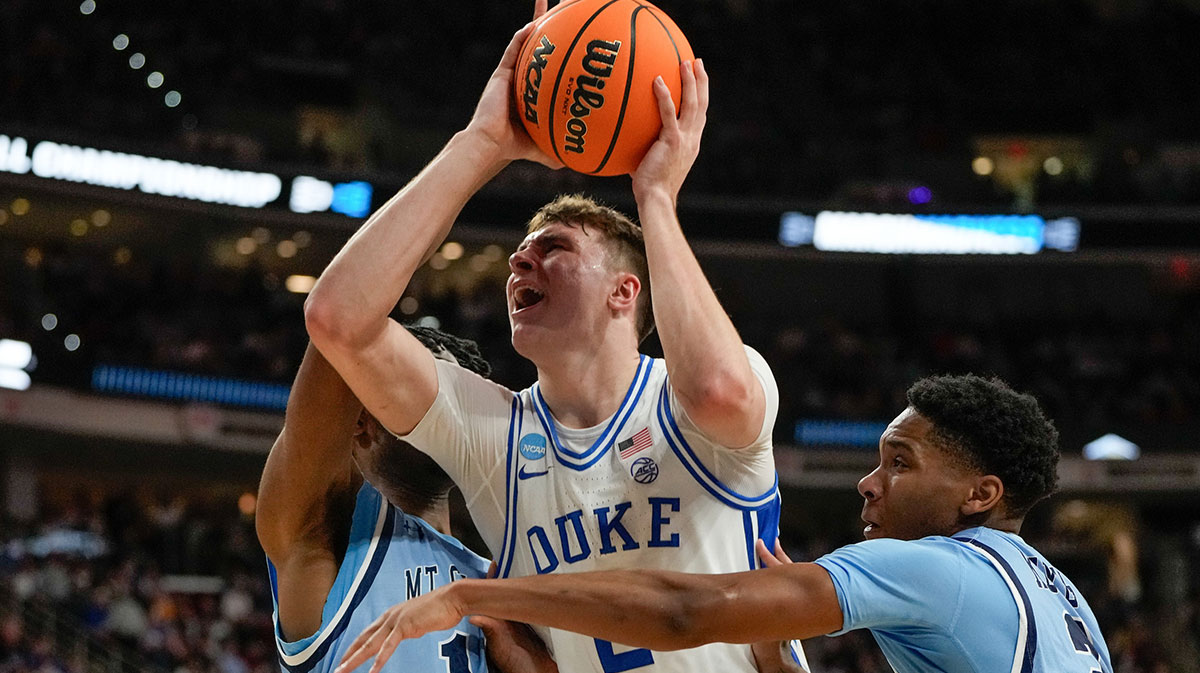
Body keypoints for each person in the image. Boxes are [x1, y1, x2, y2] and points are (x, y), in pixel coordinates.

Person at [302, 4, 806, 672]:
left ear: (623, 292)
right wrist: (482, 144)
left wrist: (656, 197)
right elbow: (338, 318)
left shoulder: (702, 397)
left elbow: (715, 389)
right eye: (520, 253)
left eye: (554, 247)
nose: (518, 262)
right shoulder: (497, 437)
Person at [335, 375, 1115, 673]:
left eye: (900, 462)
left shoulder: (938, 568)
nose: (869, 482)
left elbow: (688, 610)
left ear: (979, 493)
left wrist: (479, 595)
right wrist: (776, 661)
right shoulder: (1067, 601)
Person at [255, 326, 557, 673]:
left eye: (462, 395)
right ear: (361, 420)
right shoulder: (329, 527)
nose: (452, 412)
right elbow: (341, 320)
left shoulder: (498, 581)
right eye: (431, 391)